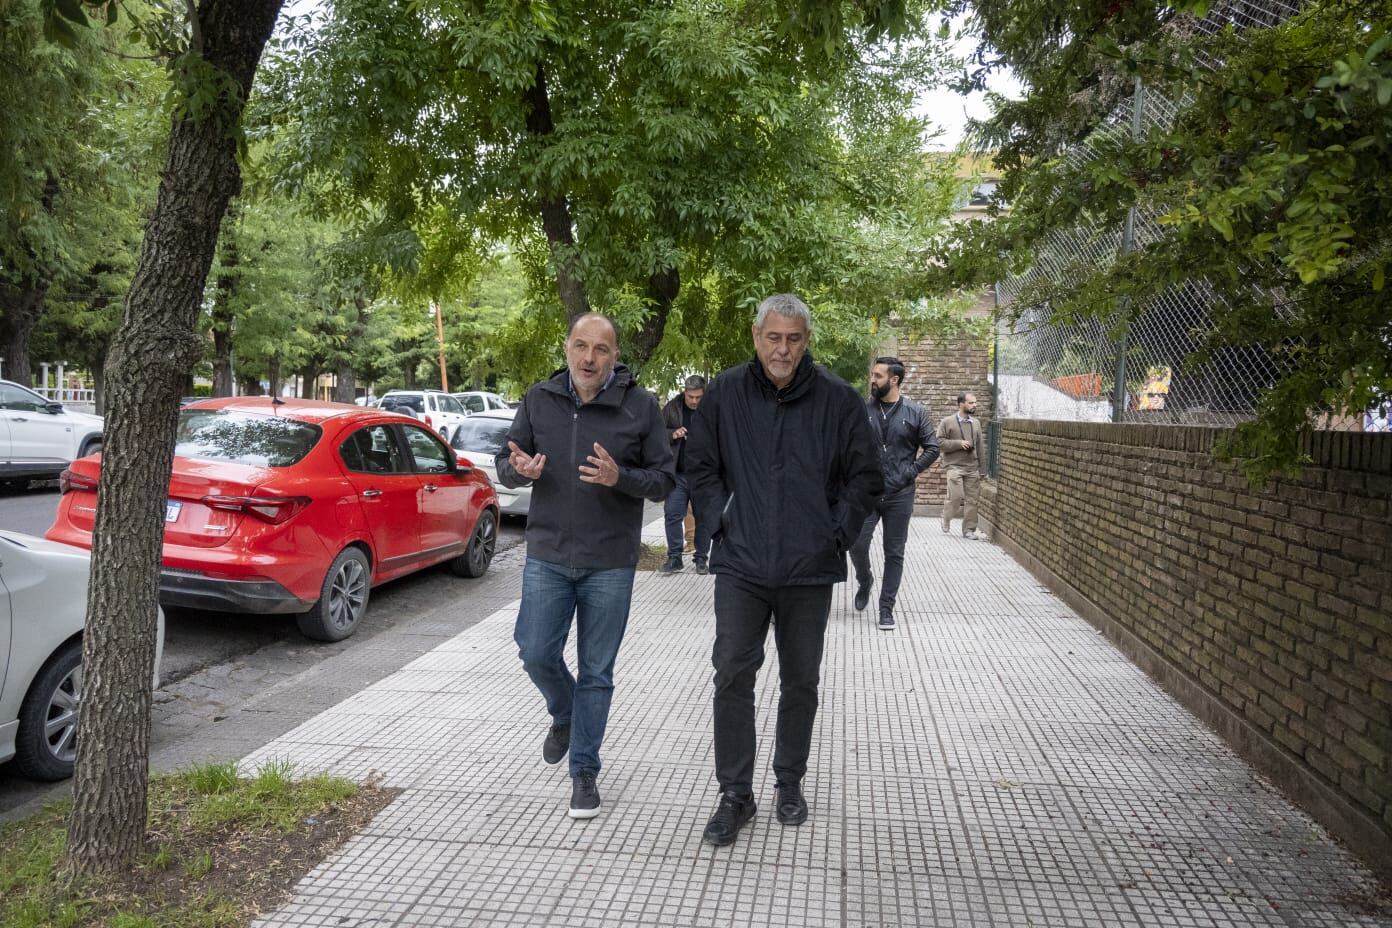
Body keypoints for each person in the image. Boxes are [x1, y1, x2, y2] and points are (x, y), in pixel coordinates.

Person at [687, 294, 882, 847]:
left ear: (805, 341)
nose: (783, 349)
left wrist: (835, 534)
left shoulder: (839, 400)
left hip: (808, 570)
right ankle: (734, 793)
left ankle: (789, 782)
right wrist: (719, 519)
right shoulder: (724, 393)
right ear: (756, 336)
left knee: (801, 680)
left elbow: (866, 478)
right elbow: (699, 466)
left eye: (794, 338)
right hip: (742, 565)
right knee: (731, 674)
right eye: (773, 337)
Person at [495, 313, 675, 820]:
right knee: (533, 651)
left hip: (610, 562)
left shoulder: (640, 406)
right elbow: (506, 460)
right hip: (549, 554)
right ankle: (564, 713)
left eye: (600, 349)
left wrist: (622, 478)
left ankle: (584, 772)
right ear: (567, 347)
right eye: (580, 346)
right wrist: (519, 471)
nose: (589, 358)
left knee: (597, 671)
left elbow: (663, 480)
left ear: (614, 357)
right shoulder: (539, 399)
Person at [849, 357, 940, 630]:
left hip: (900, 494)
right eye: (873, 375)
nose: (872, 380)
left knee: (894, 552)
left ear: (894, 380)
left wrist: (908, 473)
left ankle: (886, 608)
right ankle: (865, 580)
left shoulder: (916, 412)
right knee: (856, 543)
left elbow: (932, 448)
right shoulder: (864, 410)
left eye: (877, 375)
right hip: (868, 493)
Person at [659, 375, 711, 574]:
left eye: (698, 397)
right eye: (691, 397)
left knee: (703, 517)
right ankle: (674, 557)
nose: (694, 401)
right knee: (672, 514)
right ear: (684, 392)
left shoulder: (711, 409)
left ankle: (701, 558)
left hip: (702, 474)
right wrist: (673, 434)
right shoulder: (672, 408)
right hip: (678, 474)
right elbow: (656, 433)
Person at [938, 392, 985, 539]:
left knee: (972, 500)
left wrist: (982, 469)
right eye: (971, 403)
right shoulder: (947, 422)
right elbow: (939, 442)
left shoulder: (976, 423)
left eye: (975, 403)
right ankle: (946, 517)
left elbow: (980, 446)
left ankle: (969, 530)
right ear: (961, 404)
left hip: (972, 467)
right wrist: (959, 443)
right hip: (954, 466)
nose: (974, 405)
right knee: (956, 497)